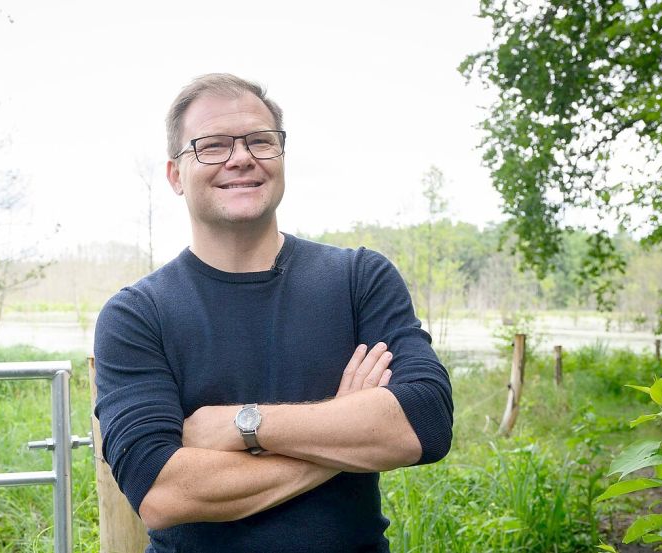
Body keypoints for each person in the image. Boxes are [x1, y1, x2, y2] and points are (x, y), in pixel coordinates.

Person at [93, 73, 453, 552]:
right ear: (176, 175)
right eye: (213, 146)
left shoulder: (359, 279)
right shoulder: (137, 315)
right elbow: (161, 491)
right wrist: (346, 435)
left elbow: (423, 422)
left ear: (280, 156)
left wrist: (242, 425)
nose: (241, 157)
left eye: (260, 141)